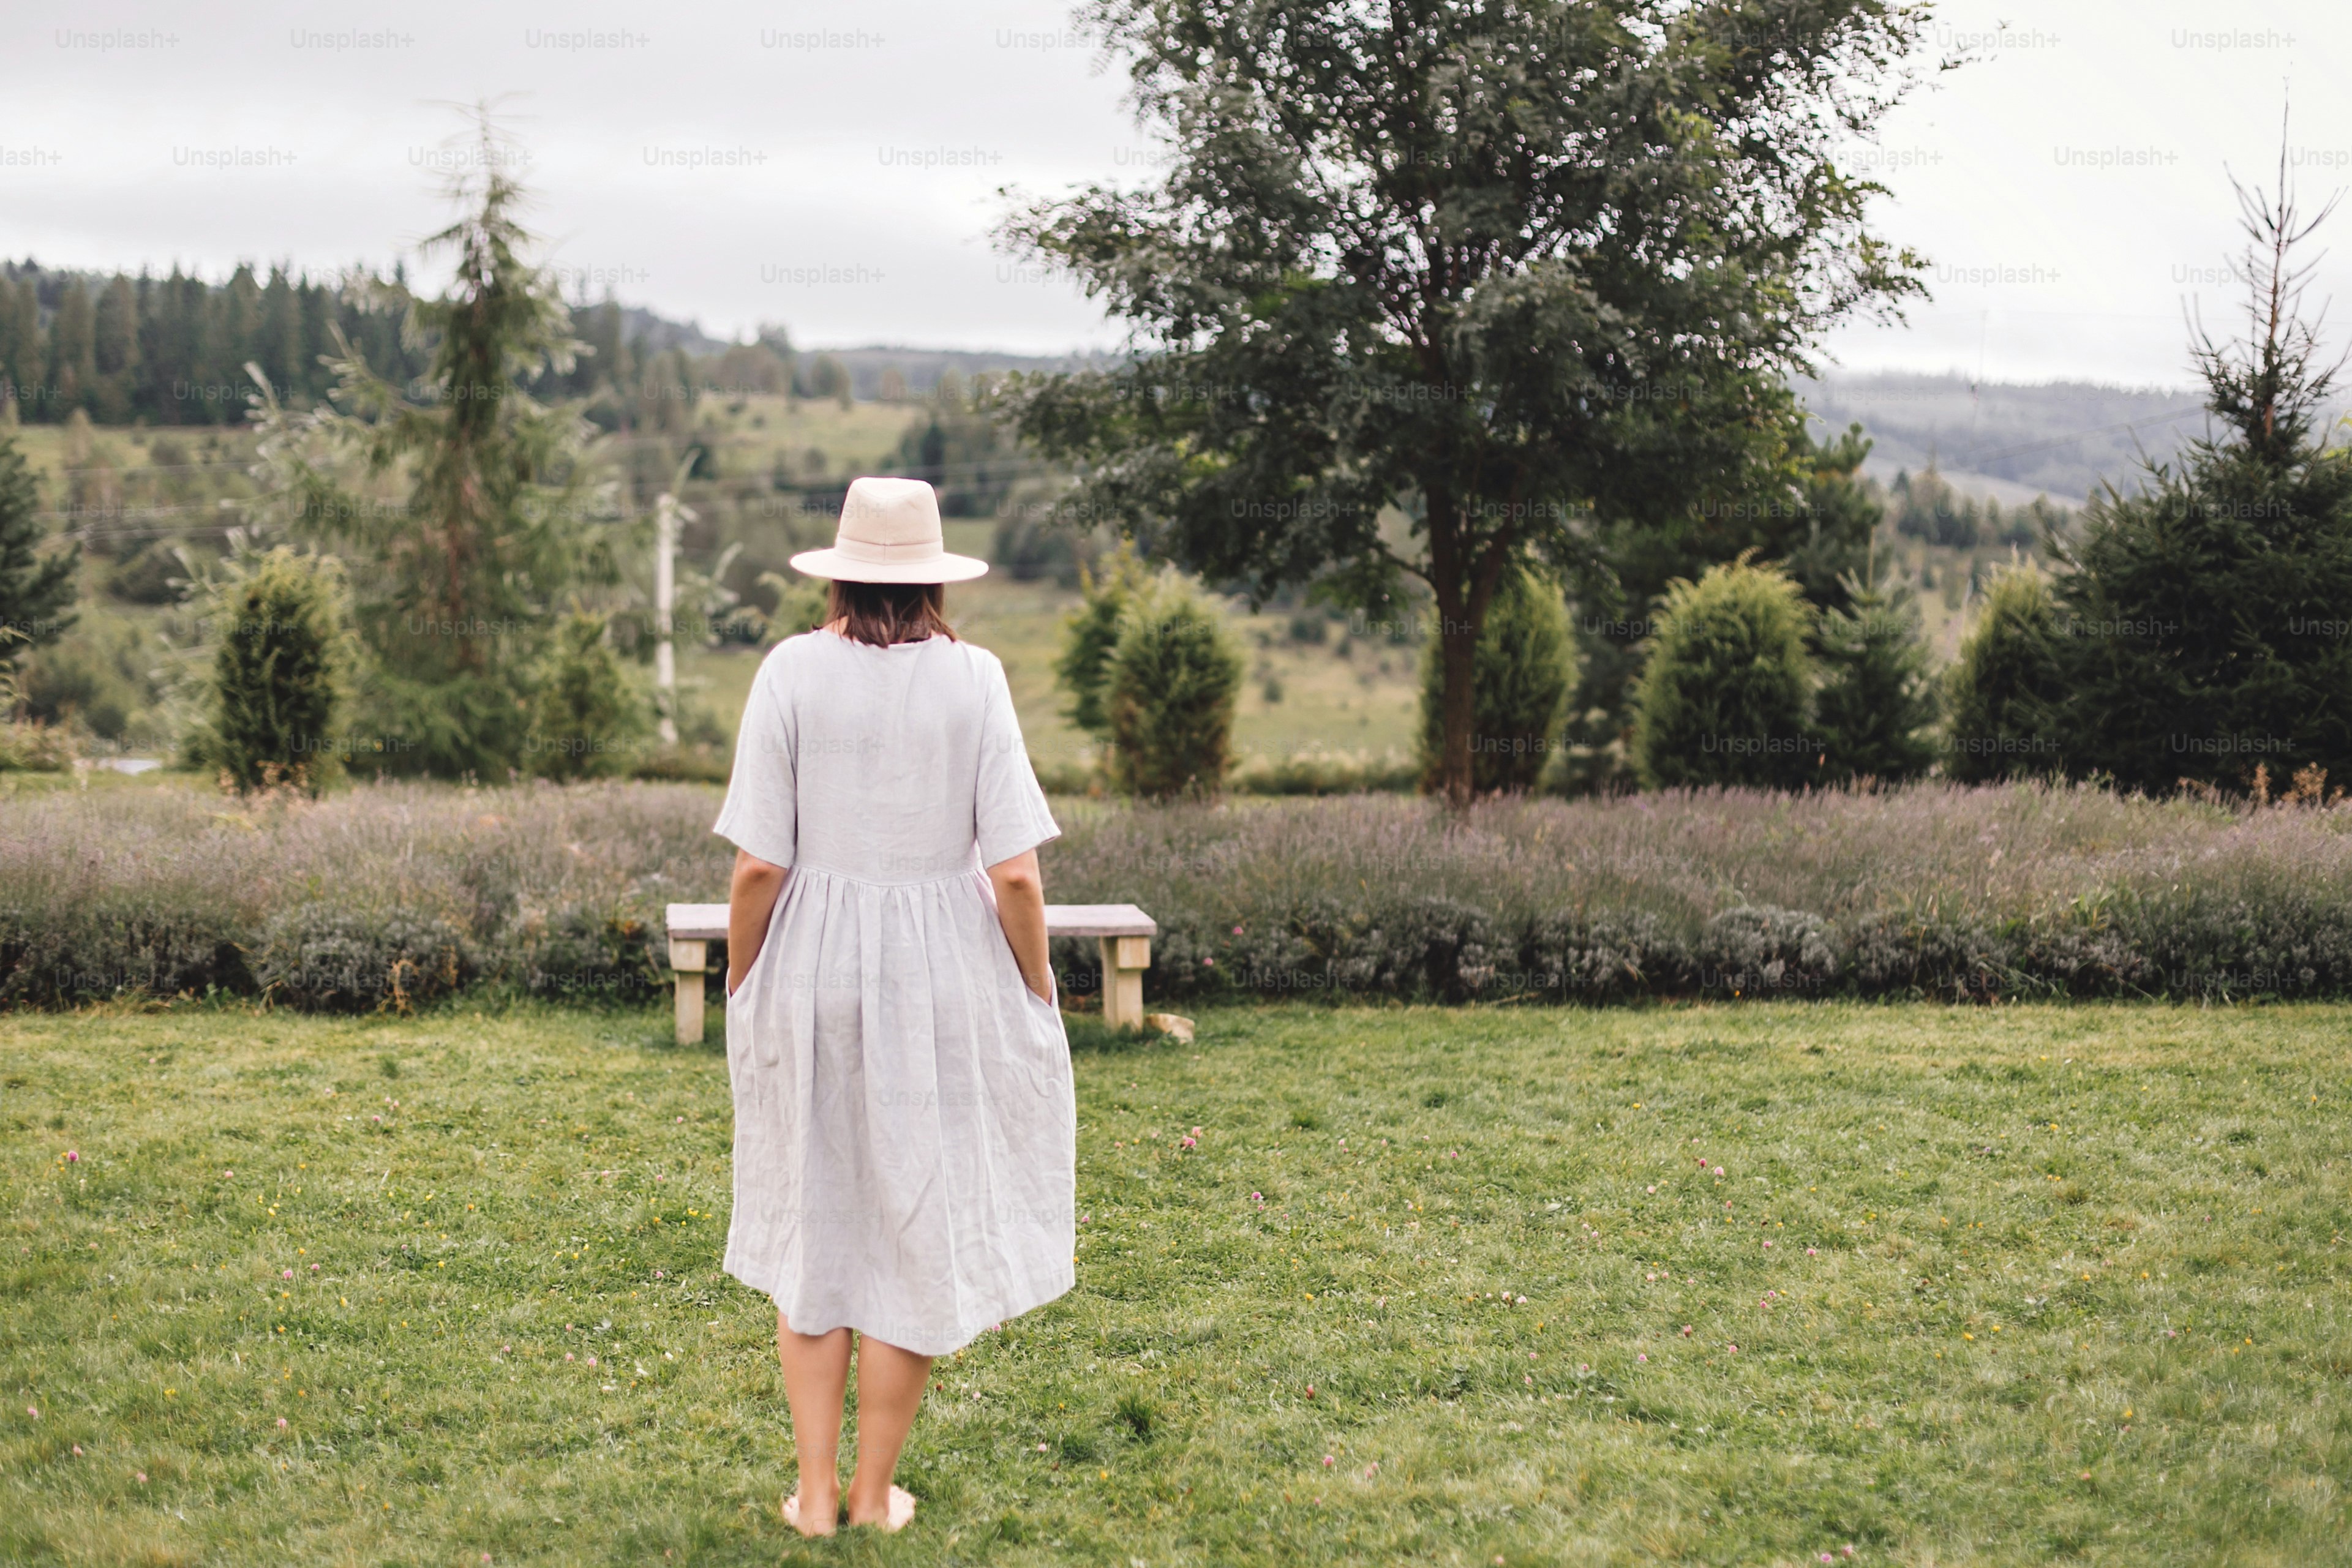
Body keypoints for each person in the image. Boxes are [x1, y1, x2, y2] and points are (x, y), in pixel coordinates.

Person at [713, 476, 1074, 1536]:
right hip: (941, 979)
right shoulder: (978, 681)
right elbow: (1014, 875)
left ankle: (816, 1496)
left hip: (811, 970)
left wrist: (743, 980)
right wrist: (1037, 985)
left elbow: (755, 870)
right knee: (914, 1220)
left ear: (838, 574)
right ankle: (877, 1493)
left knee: (815, 1219)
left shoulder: (789, 672)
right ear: (930, 577)